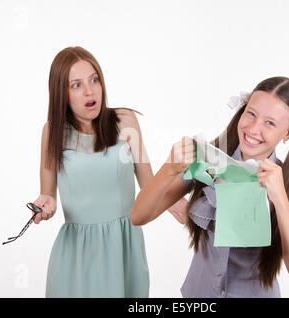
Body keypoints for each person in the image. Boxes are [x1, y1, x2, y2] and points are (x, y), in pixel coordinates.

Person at [131, 76, 289, 297]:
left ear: (288, 132)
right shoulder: (209, 159)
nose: (254, 128)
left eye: (270, 123)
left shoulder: (288, 185)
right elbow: (138, 216)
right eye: (251, 113)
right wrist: (168, 169)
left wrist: (280, 198)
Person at [31, 46, 183, 297]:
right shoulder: (52, 132)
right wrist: (45, 203)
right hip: (76, 252)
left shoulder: (125, 120)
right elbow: (48, 193)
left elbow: (150, 183)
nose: (89, 90)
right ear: (61, 93)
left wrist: (182, 201)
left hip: (124, 246)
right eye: (76, 85)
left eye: (94, 80)